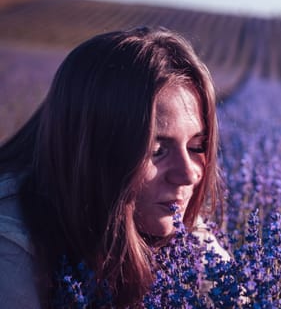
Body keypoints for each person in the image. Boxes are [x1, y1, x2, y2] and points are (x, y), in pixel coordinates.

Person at [0, 26, 229, 307]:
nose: (188, 175)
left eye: (196, 147)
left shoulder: (181, 229)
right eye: (157, 151)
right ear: (93, 153)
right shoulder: (11, 248)